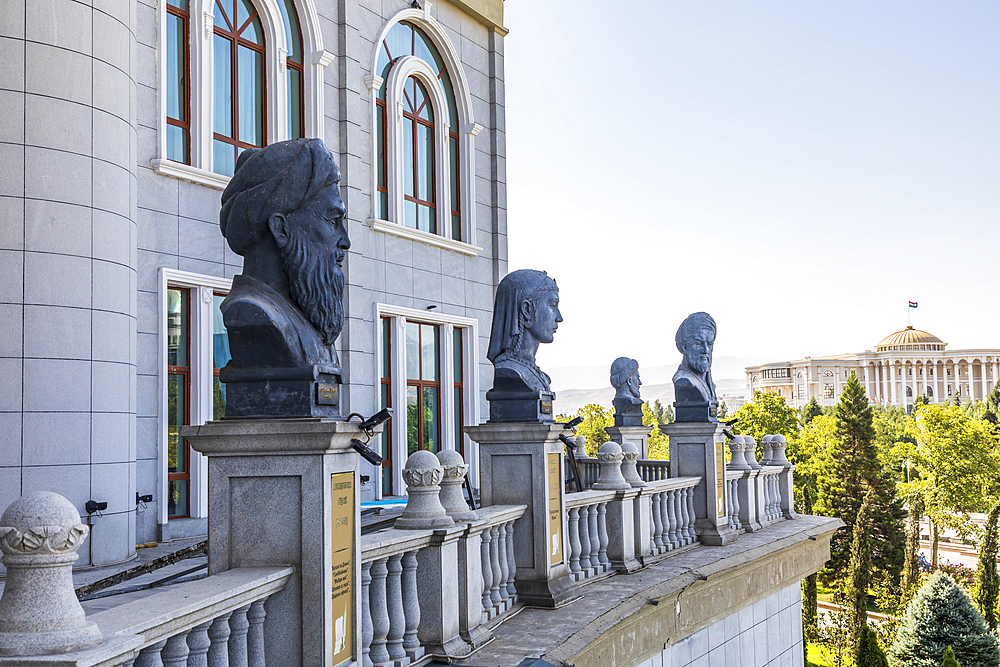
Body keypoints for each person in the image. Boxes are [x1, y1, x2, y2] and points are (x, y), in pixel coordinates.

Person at [218, 138, 351, 377]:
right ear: (280, 229)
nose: (345, 241)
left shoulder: (307, 319)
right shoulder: (250, 313)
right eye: (332, 221)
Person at [486, 269, 561, 394]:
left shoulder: (536, 374)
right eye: (552, 305)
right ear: (527, 310)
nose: (559, 318)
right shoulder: (510, 371)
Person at [672, 312, 717, 404]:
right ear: (685, 347)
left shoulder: (708, 382)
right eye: (698, 343)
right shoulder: (684, 381)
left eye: (709, 344)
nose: (705, 350)